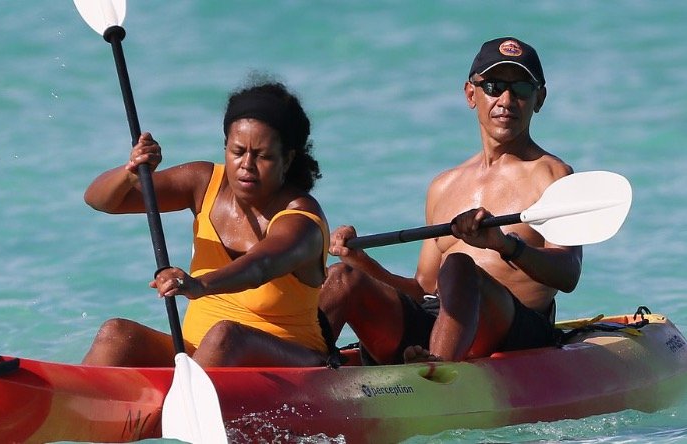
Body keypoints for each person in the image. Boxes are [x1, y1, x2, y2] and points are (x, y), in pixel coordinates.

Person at [319, 37, 582, 364]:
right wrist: (361, 261)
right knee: (341, 278)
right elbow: (423, 290)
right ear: (471, 94)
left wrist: (505, 245)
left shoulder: (554, 176)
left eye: (521, 89)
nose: (506, 99)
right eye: (494, 87)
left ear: (539, 99)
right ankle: (296, 371)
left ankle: (435, 372)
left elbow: (568, 274)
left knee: (459, 266)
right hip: (438, 324)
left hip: (514, 332)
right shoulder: (443, 186)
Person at [82, 79, 333, 368]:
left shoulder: (302, 219)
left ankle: (182, 393)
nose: (246, 165)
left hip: (293, 362)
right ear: (225, 147)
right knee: (115, 334)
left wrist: (199, 284)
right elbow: (101, 201)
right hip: (198, 355)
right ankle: (70, 397)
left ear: (287, 159)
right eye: (237, 151)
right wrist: (131, 173)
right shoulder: (203, 183)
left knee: (225, 336)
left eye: (262, 156)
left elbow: (260, 267)